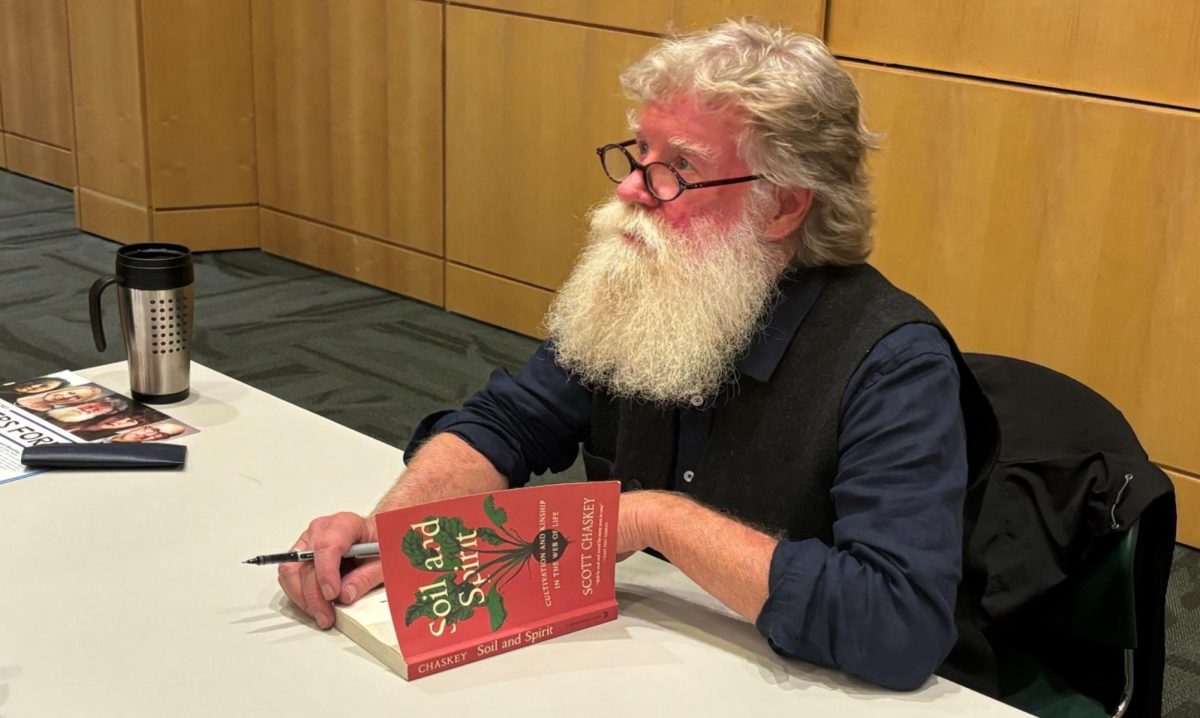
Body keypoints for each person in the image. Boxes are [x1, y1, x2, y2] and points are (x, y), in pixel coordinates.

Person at [280, 20, 996, 692]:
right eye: (640, 154)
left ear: (783, 208)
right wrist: (391, 536)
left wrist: (657, 518)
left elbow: (899, 623)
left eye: (679, 168)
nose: (631, 189)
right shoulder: (646, 286)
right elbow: (507, 422)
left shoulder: (893, 363)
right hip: (636, 668)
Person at [15, 384, 104, 413]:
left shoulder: (46, 415)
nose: (67, 396)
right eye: (70, 392)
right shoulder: (20, 392)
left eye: (76, 398)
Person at [46, 397, 129, 424]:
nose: (87, 410)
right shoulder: (51, 405)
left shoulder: (77, 424)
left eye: (96, 410)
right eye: (90, 406)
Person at [105, 421, 186, 443]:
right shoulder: (106, 430)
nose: (148, 435)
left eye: (162, 435)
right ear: (141, 427)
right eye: (153, 430)